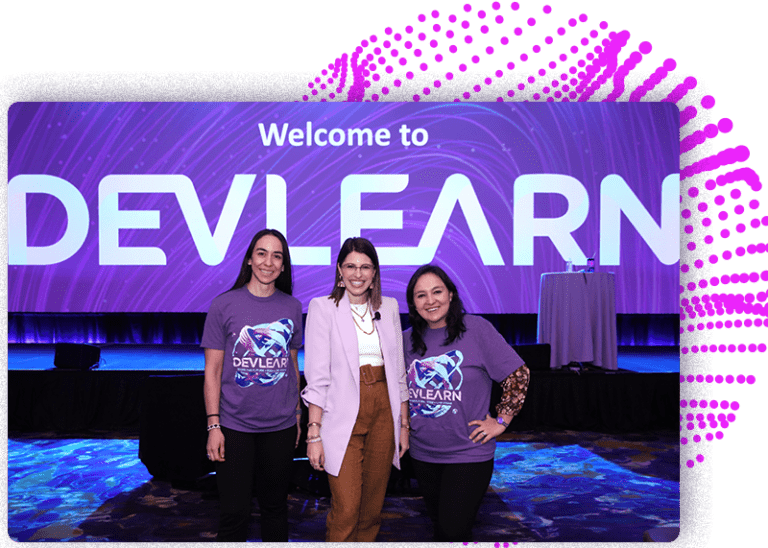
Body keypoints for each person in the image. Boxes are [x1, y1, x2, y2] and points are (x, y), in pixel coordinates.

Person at [404, 264, 530, 542]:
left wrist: (502, 421)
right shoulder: (406, 340)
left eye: (437, 292)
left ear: (450, 294)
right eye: (421, 295)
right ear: (413, 303)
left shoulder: (477, 329)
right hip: (423, 454)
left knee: (453, 530)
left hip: (468, 454)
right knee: (440, 527)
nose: (430, 300)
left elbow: (518, 374)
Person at [301, 237, 409, 542]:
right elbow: (317, 378)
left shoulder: (389, 307)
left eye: (365, 267)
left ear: (374, 272)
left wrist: (403, 425)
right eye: (350, 266)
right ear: (339, 270)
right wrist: (314, 434)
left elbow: (399, 372)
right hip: (341, 413)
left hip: (384, 411)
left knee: (372, 510)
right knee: (346, 509)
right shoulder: (323, 308)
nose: (357, 274)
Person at [201, 228, 303, 542]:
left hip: (280, 427)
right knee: (234, 513)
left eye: (277, 256)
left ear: (283, 266)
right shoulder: (223, 305)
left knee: (275, 509)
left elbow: (292, 365)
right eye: (262, 253)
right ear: (249, 259)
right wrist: (213, 425)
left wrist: (298, 413)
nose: (268, 262)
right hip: (234, 427)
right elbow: (212, 372)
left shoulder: (292, 307)